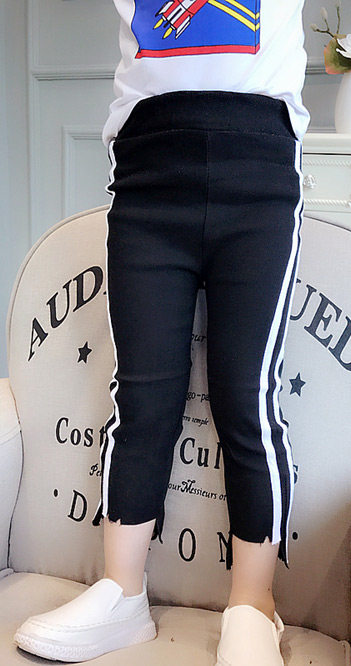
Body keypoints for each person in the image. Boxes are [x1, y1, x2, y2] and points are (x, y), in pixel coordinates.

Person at [13, 1, 310, 664]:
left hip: (259, 174)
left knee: (248, 397)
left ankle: (253, 604)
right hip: (148, 176)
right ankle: (122, 592)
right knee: (142, 396)